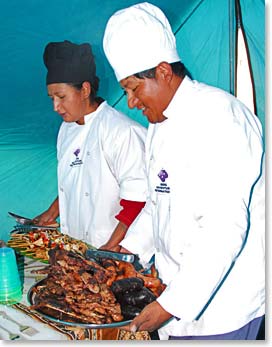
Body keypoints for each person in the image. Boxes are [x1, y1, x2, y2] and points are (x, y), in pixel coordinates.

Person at [103, 2, 265, 340]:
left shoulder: (223, 118)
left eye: (134, 88)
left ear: (163, 71)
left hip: (224, 303)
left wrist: (172, 304)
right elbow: (158, 204)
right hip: (175, 294)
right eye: (126, 91)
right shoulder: (160, 125)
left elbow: (224, 226)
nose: (131, 101)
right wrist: (128, 249)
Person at [35, 40, 147, 250]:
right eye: (51, 98)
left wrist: (108, 249)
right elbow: (73, 181)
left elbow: (138, 202)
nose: (55, 107)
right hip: (75, 250)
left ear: (85, 90)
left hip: (114, 251)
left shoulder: (122, 131)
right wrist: (51, 213)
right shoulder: (66, 129)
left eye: (61, 97)